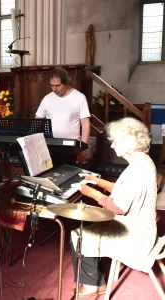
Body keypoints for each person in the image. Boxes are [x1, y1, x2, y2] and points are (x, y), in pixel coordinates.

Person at [69, 117, 165, 297]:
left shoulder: (136, 170)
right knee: (89, 225)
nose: (112, 146)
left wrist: (89, 192)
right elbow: (126, 192)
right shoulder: (144, 162)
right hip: (143, 227)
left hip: (134, 237)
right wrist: (98, 182)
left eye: (114, 142)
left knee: (78, 234)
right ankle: (94, 278)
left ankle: (93, 286)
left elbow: (118, 207)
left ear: (127, 143)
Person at [35, 67, 91, 163]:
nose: (54, 89)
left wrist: (82, 147)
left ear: (66, 83)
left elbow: (85, 124)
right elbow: (36, 121)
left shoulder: (79, 97)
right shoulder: (47, 98)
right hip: (49, 146)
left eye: (57, 85)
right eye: (52, 86)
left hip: (71, 147)